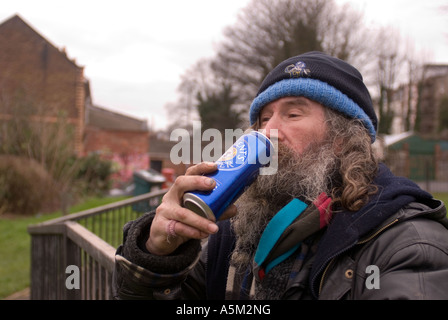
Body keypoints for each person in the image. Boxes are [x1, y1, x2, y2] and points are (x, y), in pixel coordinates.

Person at [112, 51, 448, 300]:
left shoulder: (405, 241)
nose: (269, 131)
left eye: (292, 113)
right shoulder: (234, 230)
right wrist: (156, 254)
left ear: (343, 137)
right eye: (263, 118)